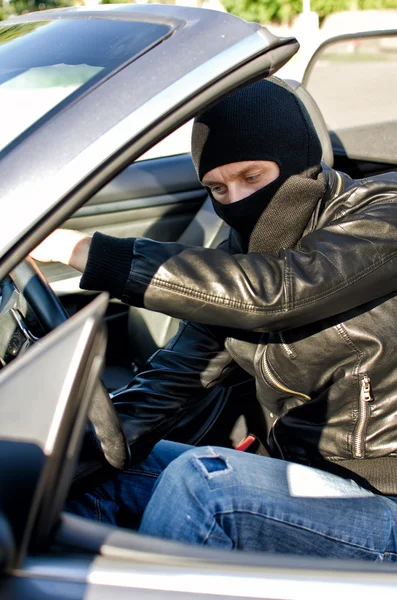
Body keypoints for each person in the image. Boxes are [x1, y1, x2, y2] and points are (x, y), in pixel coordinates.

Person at [32, 78, 397, 560]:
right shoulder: (241, 255)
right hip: (305, 479)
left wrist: (79, 250)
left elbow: (277, 292)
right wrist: (73, 449)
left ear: (300, 161)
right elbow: (173, 379)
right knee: (75, 473)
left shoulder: (381, 216)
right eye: (217, 188)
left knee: (204, 484)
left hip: (383, 500)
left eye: (252, 177)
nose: (235, 199)